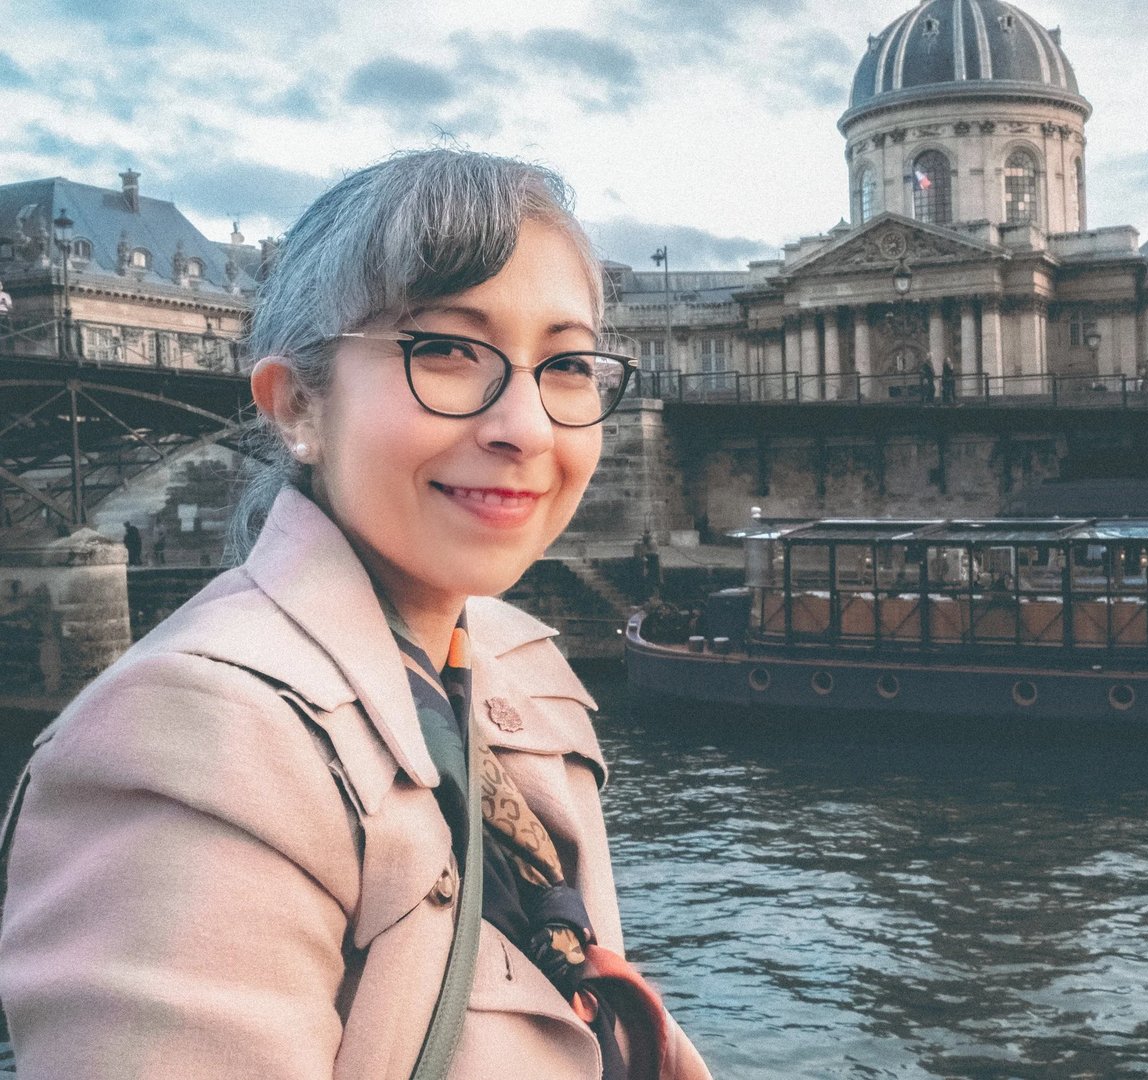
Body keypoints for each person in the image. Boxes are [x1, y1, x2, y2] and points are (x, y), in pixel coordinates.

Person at [0, 151, 711, 1080]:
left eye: (568, 364)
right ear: (297, 405)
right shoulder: (180, 752)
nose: (528, 427)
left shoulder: (510, 664)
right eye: (447, 350)